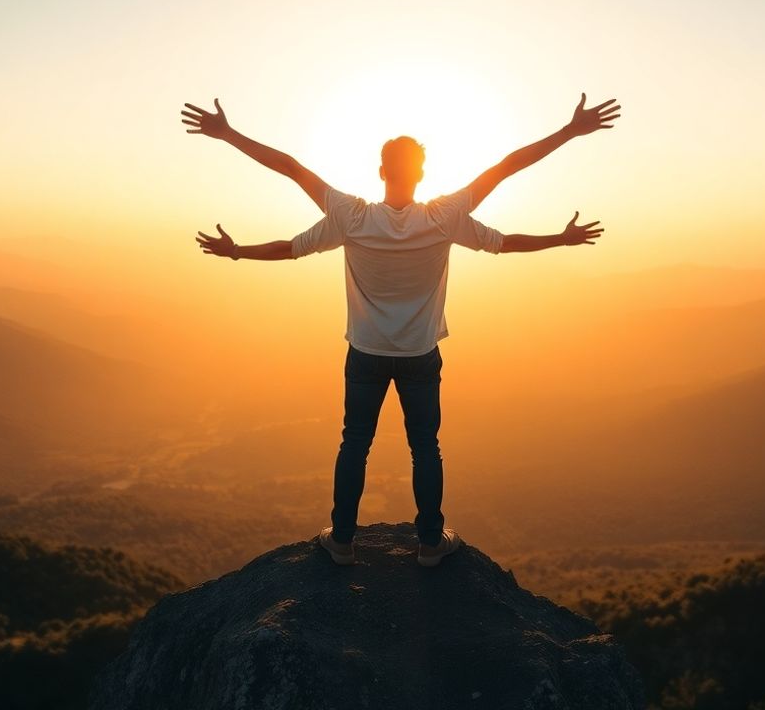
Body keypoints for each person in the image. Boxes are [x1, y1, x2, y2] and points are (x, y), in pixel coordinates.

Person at [183, 94, 618, 566]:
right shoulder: (443, 216)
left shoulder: (351, 217)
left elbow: (291, 192)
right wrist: (566, 178)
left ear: (380, 171)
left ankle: (342, 541)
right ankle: (430, 543)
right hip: (419, 355)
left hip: (366, 353)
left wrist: (237, 244)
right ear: (421, 174)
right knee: (425, 447)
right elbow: (506, 183)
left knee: (355, 443)